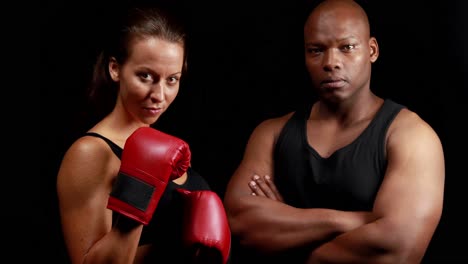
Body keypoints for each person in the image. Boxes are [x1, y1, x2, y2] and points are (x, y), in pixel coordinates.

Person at [223, 0, 445, 263]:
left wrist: (288, 225)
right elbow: (238, 224)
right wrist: (353, 220)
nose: (331, 62)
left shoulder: (412, 136)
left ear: (372, 50)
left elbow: (396, 247)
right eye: (316, 50)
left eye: (347, 47)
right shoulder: (271, 133)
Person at [56, 6, 231, 264]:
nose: (160, 95)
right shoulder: (91, 152)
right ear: (115, 69)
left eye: (172, 79)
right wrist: (137, 193)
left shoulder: (167, 150)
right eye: (146, 76)